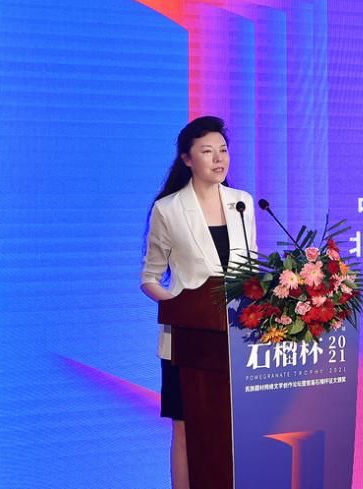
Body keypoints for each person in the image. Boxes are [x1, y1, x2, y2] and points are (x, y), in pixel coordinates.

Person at [140, 116, 257, 489]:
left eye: (223, 150)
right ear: (187, 159)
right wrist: (178, 307)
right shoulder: (169, 209)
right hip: (186, 344)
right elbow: (150, 278)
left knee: (234, 428)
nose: (219, 159)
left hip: (236, 342)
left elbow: (251, 271)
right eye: (207, 152)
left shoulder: (242, 204)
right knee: (186, 427)